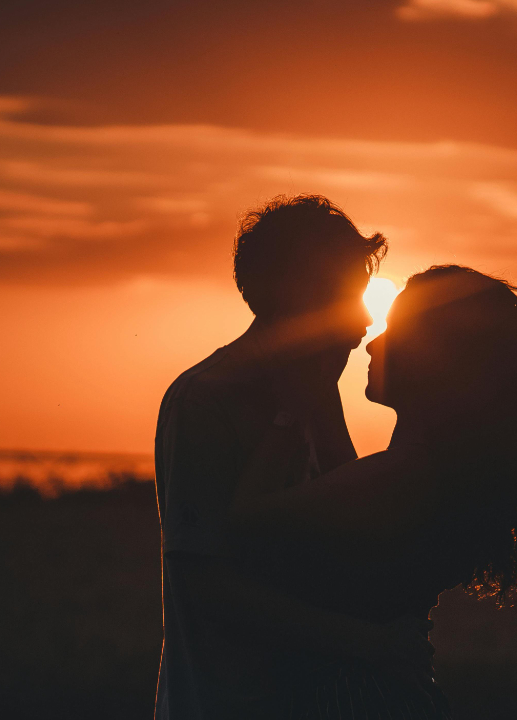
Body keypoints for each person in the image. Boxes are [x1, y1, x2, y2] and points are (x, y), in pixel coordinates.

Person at [228, 264, 517, 717]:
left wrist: (287, 415)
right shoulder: (429, 470)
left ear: (430, 356)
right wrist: (319, 384)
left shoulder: (400, 475)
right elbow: (345, 476)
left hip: (354, 700)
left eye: (394, 331)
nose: (372, 344)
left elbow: (247, 519)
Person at [153, 195, 433, 719]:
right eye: (345, 295)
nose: (363, 323)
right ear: (294, 294)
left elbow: (352, 533)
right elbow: (206, 587)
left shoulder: (316, 393)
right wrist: (372, 644)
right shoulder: (205, 401)